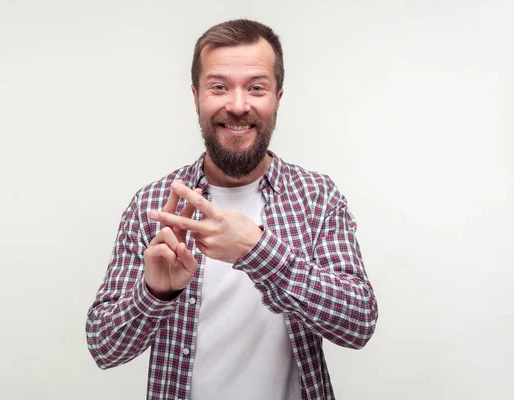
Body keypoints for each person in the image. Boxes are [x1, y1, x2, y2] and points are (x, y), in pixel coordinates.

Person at [86, 19, 378, 400]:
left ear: (278, 96)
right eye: (219, 87)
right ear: (195, 96)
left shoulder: (317, 197)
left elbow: (359, 324)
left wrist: (257, 252)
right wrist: (154, 294)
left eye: (256, 88)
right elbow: (104, 348)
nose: (238, 105)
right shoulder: (154, 204)